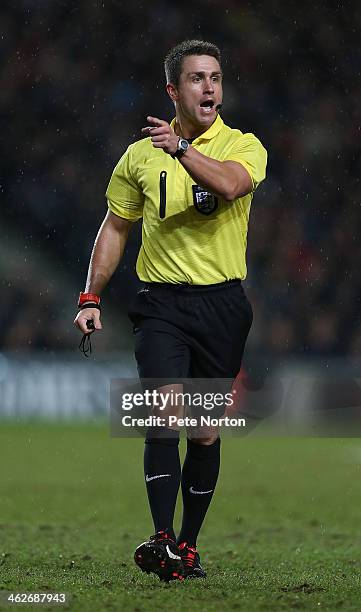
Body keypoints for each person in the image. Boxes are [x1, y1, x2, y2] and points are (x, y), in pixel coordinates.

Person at [74, 39, 267, 581]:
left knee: (204, 432)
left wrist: (180, 150)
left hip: (223, 304)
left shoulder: (244, 146)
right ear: (173, 90)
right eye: (196, 79)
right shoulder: (139, 156)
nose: (209, 87)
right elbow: (115, 226)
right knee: (162, 414)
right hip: (161, 302)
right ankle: (161, 537)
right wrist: (91, 294)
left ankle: (186, 545)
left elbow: (230, 184)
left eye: (215, 78)